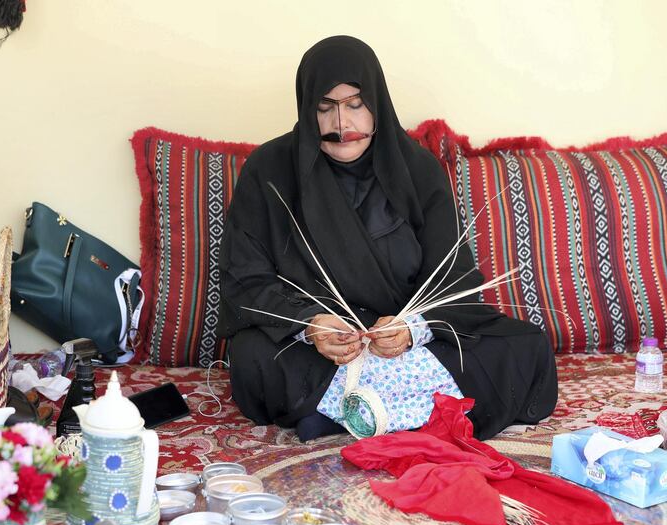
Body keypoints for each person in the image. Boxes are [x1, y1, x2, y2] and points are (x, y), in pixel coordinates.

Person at [216, 35, 557, 442]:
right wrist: (309, 326)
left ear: (377, 102)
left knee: (527, 345)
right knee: (254, 356)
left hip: (401, 343)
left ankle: (343, 413)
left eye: (356, 105)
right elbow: (245, 278)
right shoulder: (268, 169)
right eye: (325, 108)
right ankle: (410, 411)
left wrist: (414, 328)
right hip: (319, 351)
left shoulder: (418, 169)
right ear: (307, 108)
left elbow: (456, 276)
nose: (342, 125)